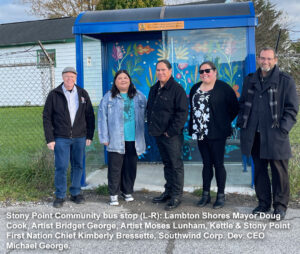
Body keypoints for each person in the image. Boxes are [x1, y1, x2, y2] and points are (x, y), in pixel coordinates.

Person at [237, 47, 299, 220]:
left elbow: (292, 108)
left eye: (269, 59)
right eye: (263, 58)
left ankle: (280, 207)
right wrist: (243, 123)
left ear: (275, 60)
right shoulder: (250, 80)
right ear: (258, 59)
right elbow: (243, 103)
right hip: (254, 135)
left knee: (279, 172)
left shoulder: (285, 81)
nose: (266, 62)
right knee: (260, 171)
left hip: (275, 134)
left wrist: (283, 129)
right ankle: (263, 203)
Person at [43, 67, 95, 208]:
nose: (69, 79)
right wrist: (50, 138)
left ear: (75, 78)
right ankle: (60, 195)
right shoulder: (54, 94)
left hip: (80, 137)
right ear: (62, 77)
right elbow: (47, 117)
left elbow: (90, 115)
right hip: (61, 137)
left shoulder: (83, 94)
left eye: (72, 77)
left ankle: (76, 192)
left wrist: (89, 135)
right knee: (61, 166)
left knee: (78, 165)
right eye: (66, 76)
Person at [189, 61, 239, 209]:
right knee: (206, 164)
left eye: (208, 70)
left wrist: (223, 121)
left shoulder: (224, 88)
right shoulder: (195, 88)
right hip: (200, 133)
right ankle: (205, 195)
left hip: (218, 134)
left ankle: (221, 196)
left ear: (215, 71)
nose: (205, 74)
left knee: (218, 164)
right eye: (202, 71)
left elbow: (235, 108)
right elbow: (192, 109)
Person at [98, 70, 146, 206]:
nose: (123, 80)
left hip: (134, 139)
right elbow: (102, 119)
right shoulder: (108, 97)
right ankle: (113, 194)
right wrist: (104, 137)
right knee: (115, 167)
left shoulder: (139, 97)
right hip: (115, 139)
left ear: (130, 80)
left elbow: (147, 114)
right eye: (120, 78)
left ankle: (127, 191)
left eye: (125, 78)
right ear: (115, 81)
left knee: (130, 167)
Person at [147, 59, 189, 210]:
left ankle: (177, 196)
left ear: (170, 71)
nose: (160, 73)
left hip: (172, 136)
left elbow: (182, 113)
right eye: (158, 70)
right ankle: (168, 192)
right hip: (158, 134)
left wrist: (170, 131)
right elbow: (150, 109)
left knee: (175, 165)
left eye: (163, 70)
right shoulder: (154, 89)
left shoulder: (177, 89)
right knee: (167, 164)